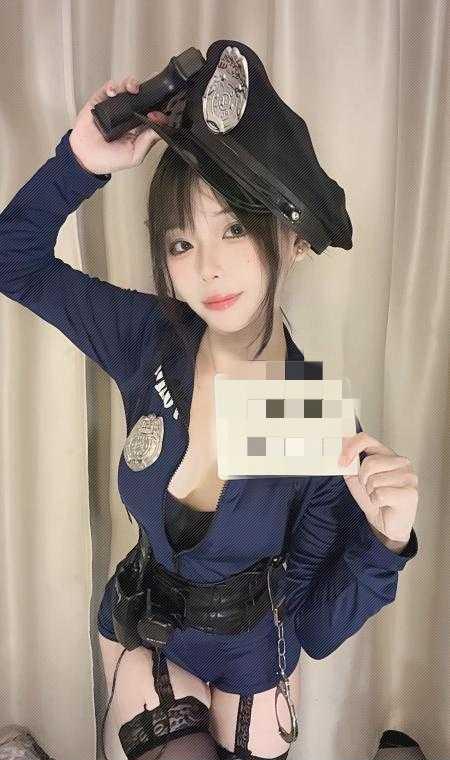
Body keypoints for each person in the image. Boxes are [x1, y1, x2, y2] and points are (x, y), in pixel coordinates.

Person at [0, 72, 419, 760]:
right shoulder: (154, 339)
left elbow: (314, 627)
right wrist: (78, 162)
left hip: (252, 655)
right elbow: (13, 259)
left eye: (234, 229)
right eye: (181, 242)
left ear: (293, 238)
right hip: (145, 632)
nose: (209, 270)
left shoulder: (305, 419)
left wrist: (385, 542)